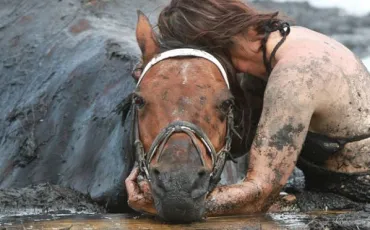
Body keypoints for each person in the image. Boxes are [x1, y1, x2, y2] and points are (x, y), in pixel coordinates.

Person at [125, 0, 370, 217]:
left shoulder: (295, 78)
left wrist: (167, 202)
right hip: (328, 183)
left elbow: (260, 193)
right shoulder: (275, 51)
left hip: (356, 198)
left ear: (211, 44)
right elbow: (238, 145)